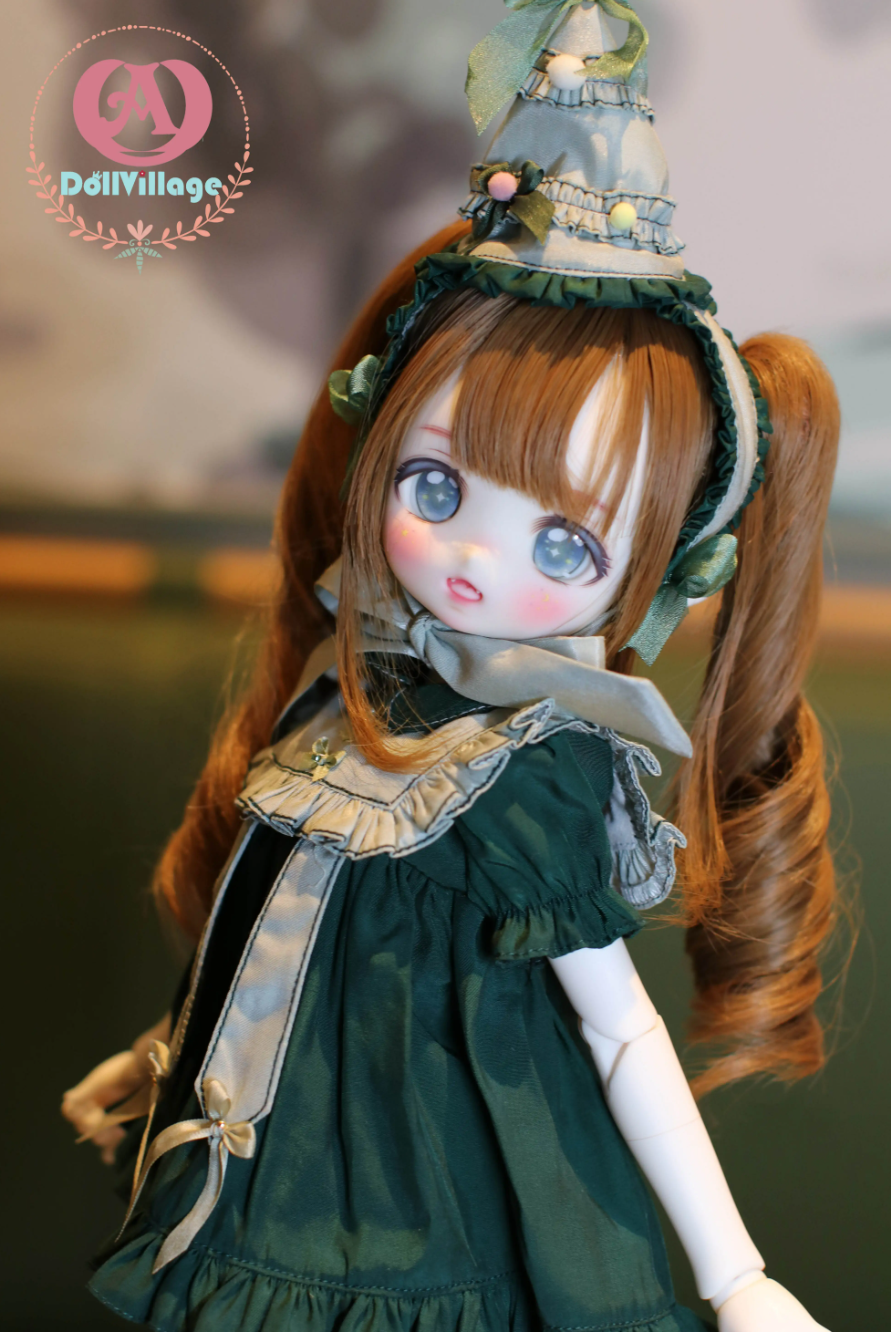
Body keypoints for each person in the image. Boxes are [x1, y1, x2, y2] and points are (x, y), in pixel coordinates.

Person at [62, 4, 842, 1330]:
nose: (475, 558)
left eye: (562, 539)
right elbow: (292, 935)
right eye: (435, 483)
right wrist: (166, 1059)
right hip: (270, 1178)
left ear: (657, 569)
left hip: (426, 1219)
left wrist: (736, 1277)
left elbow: (618, 1031)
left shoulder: (531, 764)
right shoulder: (351, 679)